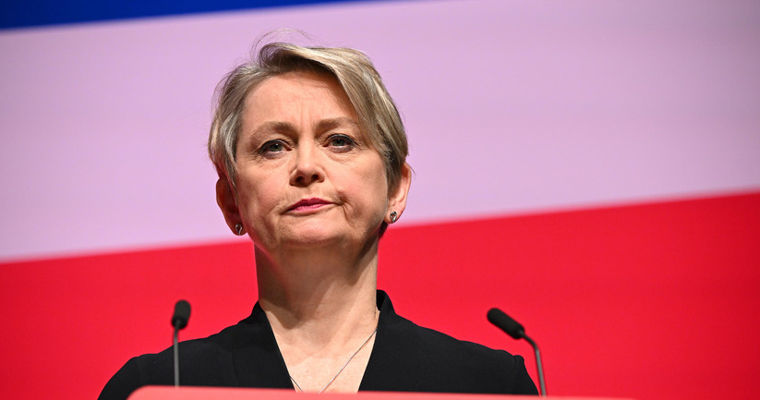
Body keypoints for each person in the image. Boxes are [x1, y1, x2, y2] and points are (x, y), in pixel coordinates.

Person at [98, 42, 538, 399]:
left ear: (395, 188)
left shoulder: (488, 386)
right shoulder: (160, 388)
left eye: (340, 141)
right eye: (274, 146)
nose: (306, 167)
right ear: (231, 201)